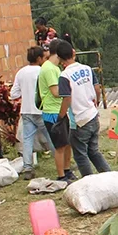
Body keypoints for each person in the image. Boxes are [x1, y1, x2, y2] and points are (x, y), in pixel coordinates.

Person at [57, 42, 111, 177]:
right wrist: (96, 102)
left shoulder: (65, 76)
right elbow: (97, 88)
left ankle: (90, 181)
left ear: (59, 59)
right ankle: (110, 176)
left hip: (79, 121)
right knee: (93, 151)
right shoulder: (87, 69)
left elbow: (67, 99)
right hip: (93, 115)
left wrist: (60, 117)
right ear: (73, 53)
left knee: (80, 155)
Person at [10, 46, 56, 180]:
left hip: (26, 110)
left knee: (27, 140)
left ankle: (28, 167)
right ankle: (62, 164)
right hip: (42, 110)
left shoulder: (21, 72)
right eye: (43, 57)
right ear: (39, 58)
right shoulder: (43, 71)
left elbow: (14, 94)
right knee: (51, 137)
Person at [38, 39, 75, 182]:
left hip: (61, 110)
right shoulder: (48, 69)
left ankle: (67, 170)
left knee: (67, 143)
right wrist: (72, 90)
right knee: (60, 146)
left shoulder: (56, 68)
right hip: (53, 113)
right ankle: (61, 175)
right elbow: (55, 91)